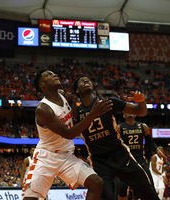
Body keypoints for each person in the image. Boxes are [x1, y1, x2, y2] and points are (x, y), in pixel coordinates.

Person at [22, 70, 112, 200]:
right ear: (42, 85)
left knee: (96, 183)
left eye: (54, 73)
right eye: (48, 75)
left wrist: (72, 104)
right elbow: (68, 134)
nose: (54, 75)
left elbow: (69, 111)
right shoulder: (43, 109)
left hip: (66, 156)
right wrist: (93, 114)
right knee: (30, 198)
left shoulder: (62, 95)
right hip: (46, 157)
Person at [73, 76, 159, 200]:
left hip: (119, 153)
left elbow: (141, 112)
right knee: (105, 196)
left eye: (88, 80)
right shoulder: (76, 112)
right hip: (99, 160)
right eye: (81, 81)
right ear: (76, 90)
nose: (86, 81)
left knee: (145, 188)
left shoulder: (108, 102)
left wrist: (141, 101)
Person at [117, 113, 167, 200]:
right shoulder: (119, 127)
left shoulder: (143, 126)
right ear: (123, 115)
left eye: (132, 110)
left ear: (135, 114)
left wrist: (157, 150)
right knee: (122, 187)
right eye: (127, 111)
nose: (130, 112)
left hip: (139, 159)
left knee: (150, 183)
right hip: (126, 160)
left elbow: (150, 142)